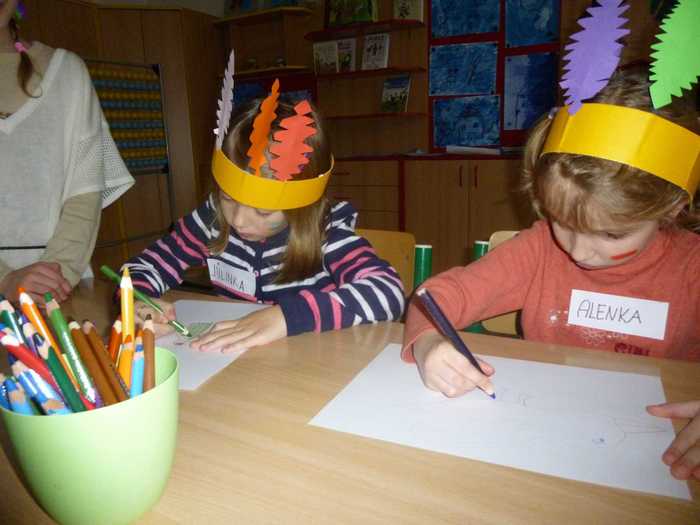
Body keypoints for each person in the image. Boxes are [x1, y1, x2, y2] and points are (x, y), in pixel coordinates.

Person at [402, 65, 699, 481]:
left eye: (611, 234)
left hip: (657, 459)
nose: (579, 251)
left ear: (673, 207)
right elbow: (438, 297)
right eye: (561, 220)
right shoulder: (541, 249)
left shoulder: (692, 269)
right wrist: (429, 344)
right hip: (539, 446)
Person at [124, 76, 405, 352]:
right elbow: (144, 266)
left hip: (310, 363)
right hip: (235, 361)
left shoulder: (326, 234)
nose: (238, 220)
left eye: (263, 211)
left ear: (301, 206)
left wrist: (286, 317)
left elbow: (387, 292)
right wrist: (138, 300)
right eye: (227, 198)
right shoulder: (212, 219)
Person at [0, 0, 133, 305]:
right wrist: (5, 279)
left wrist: (53, 278)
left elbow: (84, 193)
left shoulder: (68, 72)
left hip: (59, 290)